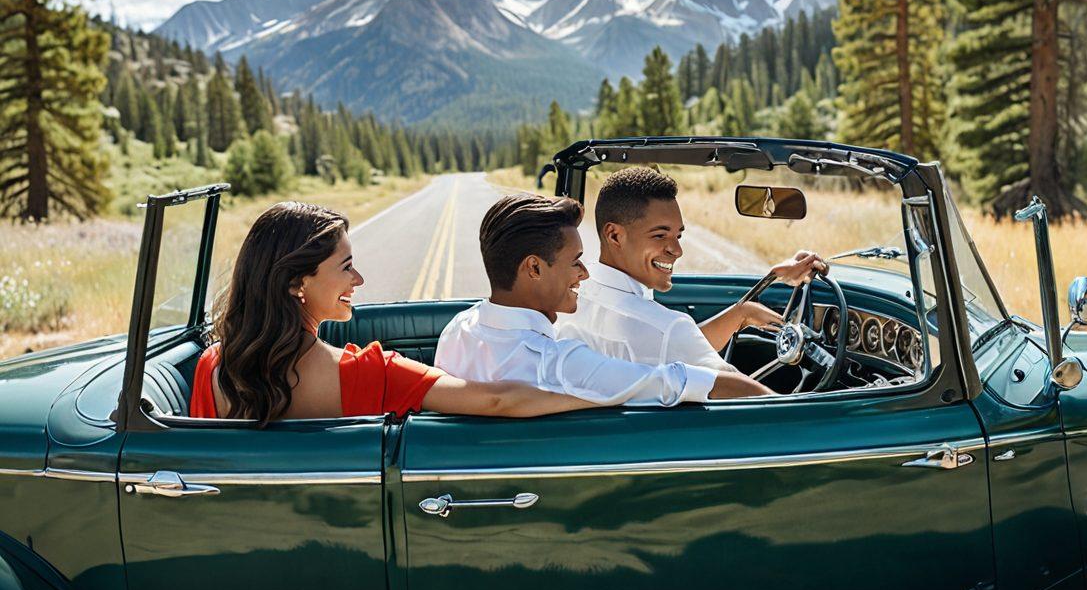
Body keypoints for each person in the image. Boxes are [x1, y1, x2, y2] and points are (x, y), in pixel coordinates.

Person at [190, 201, 595, 424]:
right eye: (346, 267)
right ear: (297, 283)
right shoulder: (371, 374)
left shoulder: (214, 367)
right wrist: (613, 391)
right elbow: (496, 401)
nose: (359, 279)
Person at [434, 192, 770, 404]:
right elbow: (685, 382)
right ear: (534, 268)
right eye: (574, 261)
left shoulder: (458, 330)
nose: (584, 273)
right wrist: (779, 403)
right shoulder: (561, 365)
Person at [556, 167, 828, 370]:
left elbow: (676, 346)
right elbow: (749, 397)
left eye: (679, 236)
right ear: (615, 236)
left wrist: (742, 313)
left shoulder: (570, 295)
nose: (677, 250)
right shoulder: (665, 329)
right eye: (660, 235)